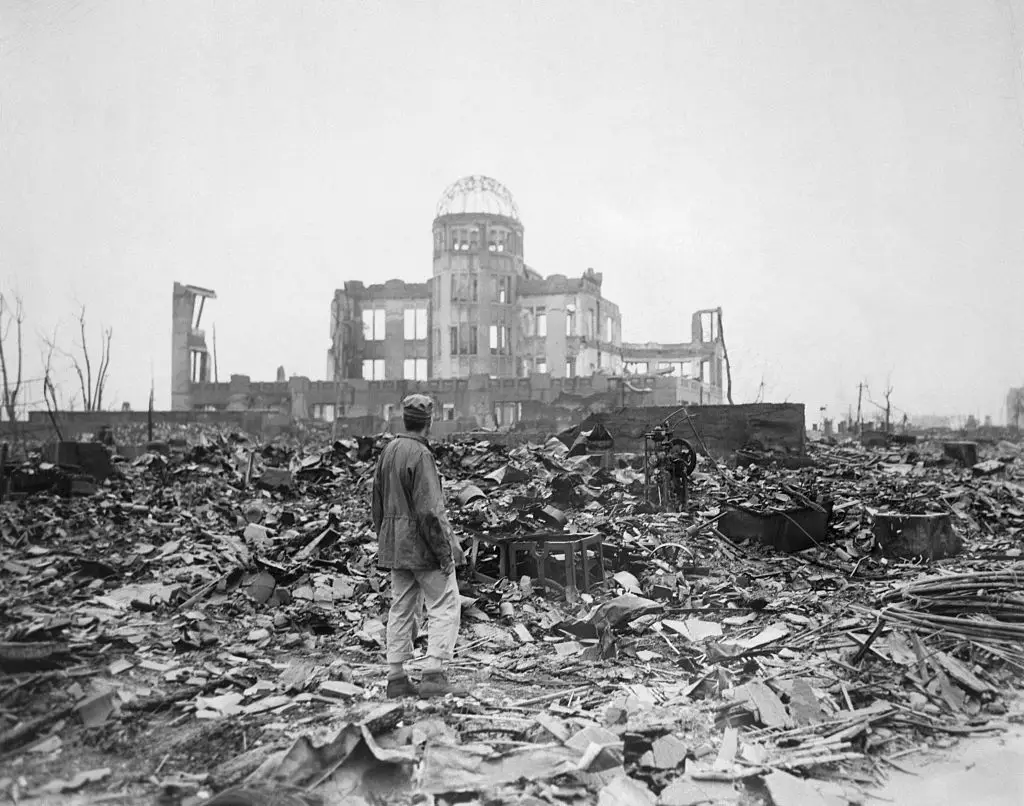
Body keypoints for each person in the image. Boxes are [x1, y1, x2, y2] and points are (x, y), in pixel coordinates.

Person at [372, 394, 467, 698]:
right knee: (444, 602)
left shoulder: (388, 451)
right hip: (422, 547)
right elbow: (430, 511)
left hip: (396, 547)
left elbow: (376, 504)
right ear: (428, 422)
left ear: (405, 419)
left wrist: (387, 539)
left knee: (401, 606)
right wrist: (445, 553)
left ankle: (396, 676)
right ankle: (433, 673)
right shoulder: (421, 455)